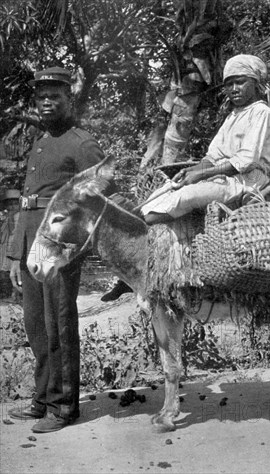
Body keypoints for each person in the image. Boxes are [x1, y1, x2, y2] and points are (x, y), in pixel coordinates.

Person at [7, 67, 105, 433]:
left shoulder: (81, 143)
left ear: (70, 99)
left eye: (55, 97)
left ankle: (64, 407)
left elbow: (99, 198)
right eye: (41, 97)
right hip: (33, 235)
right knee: (36, 325)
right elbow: (28, 202)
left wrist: (71, 245)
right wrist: (16, 253)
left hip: (58, 242)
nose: (47, 103)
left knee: (59, 323)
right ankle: (42, 400)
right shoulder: (40, 141)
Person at [141, 54, 270, 224]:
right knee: (167, 189)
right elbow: (213, 156)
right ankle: (138, 217)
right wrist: (191, 172)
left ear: (255, 83)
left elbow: (245, 161)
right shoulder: (233, 116)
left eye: (240, 82)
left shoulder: (261, 113)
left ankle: (139, 224)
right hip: (224, 177)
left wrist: (202, 174)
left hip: (245, 182)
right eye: (229, 84)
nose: (234, 89)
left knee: (186, 196)